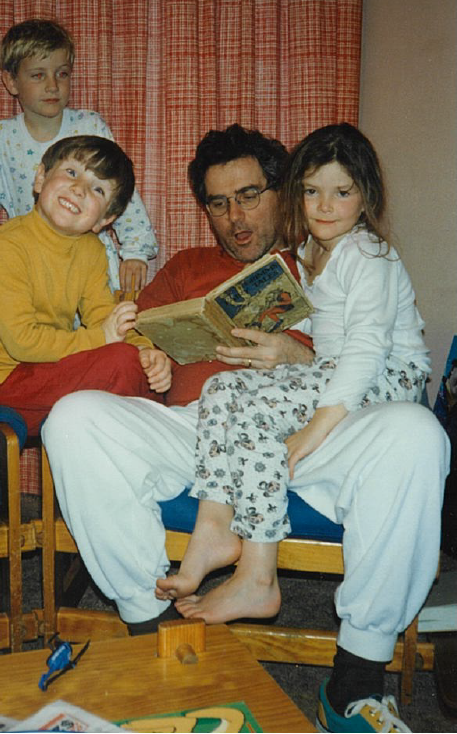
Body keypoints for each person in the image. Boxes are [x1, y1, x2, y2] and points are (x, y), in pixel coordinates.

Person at [41, 124, 449, 733]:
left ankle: (356, 681)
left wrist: (294, 353)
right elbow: (129, 332)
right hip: (196, 433)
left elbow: (363, 355)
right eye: (218, 202)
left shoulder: (324, 253)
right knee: (71, 418)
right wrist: (143, 349)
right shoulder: (186, 265)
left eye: (250, 195)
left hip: (317, 435)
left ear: (283, 192)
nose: (235, 216)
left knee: (418, 433)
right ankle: (151, 627)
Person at [157, 124, 430, 635]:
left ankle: (258, 573)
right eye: (312, 191)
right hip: (336, 366)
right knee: (222, 387)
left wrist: (318, 426)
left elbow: (366, 348)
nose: (325, 206)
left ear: (366, 195)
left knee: (257, 416)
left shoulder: (369, 255)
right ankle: (215, 526)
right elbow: (322, 323)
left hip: (387, 375)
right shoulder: (310, 254)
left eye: (342, 192)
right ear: (297, 194)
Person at [0, 18, 157, 296]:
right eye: (38, 75)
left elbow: (120, 191)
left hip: (89, 267)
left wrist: (135, 251)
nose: (52, 85)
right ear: (11, 81)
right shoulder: (0, 141)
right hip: (31, 268)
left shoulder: (90, 128)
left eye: (62, 74)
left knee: (100, 333)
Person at [0, 135, 170, 435]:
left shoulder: (91, 249)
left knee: (143, 366)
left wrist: (145, 351)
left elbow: (102, 315)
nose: (79, 188)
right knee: (121, 363)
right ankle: (138, 459)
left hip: (46, 369)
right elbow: (22, 341)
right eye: (72, 172)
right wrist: (105, 339)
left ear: (105, 219)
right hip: (1, 382)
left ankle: (145, 458)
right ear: (40, 178)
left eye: (98, 189)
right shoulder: (6, 248)